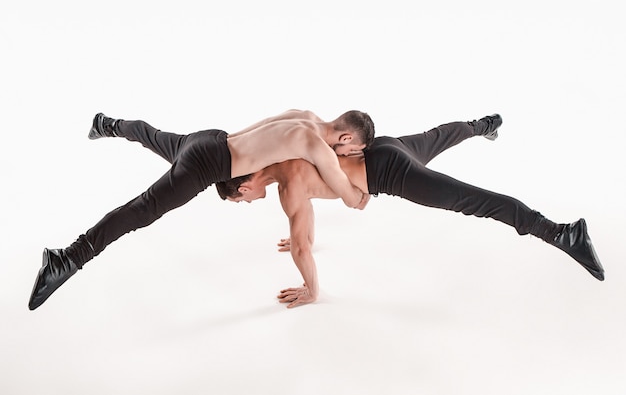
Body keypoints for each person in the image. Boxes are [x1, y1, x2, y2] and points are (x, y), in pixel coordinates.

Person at [215, 115, 604, 308]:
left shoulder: (287, 189)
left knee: (476, 201)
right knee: (437, 137)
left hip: (392, 173)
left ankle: (561, 233)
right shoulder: (287, 156)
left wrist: (311, 290)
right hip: (384, 148)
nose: (244, 203)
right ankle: (483, 125)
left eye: (238, 200)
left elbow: (301, 243)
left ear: (245, 186)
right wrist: (306, 236)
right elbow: (306, 219)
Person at [28, 109, 375, 310]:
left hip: (209, 139)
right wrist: (363, 193)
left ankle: (107, 124)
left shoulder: (306, 116)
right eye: (353, 151)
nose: (348, 157)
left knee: (153, 135)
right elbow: (349, 196)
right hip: (209, 163)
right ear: (345, 139)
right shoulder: (317, 145)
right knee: (143, 209)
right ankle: (68, 258)